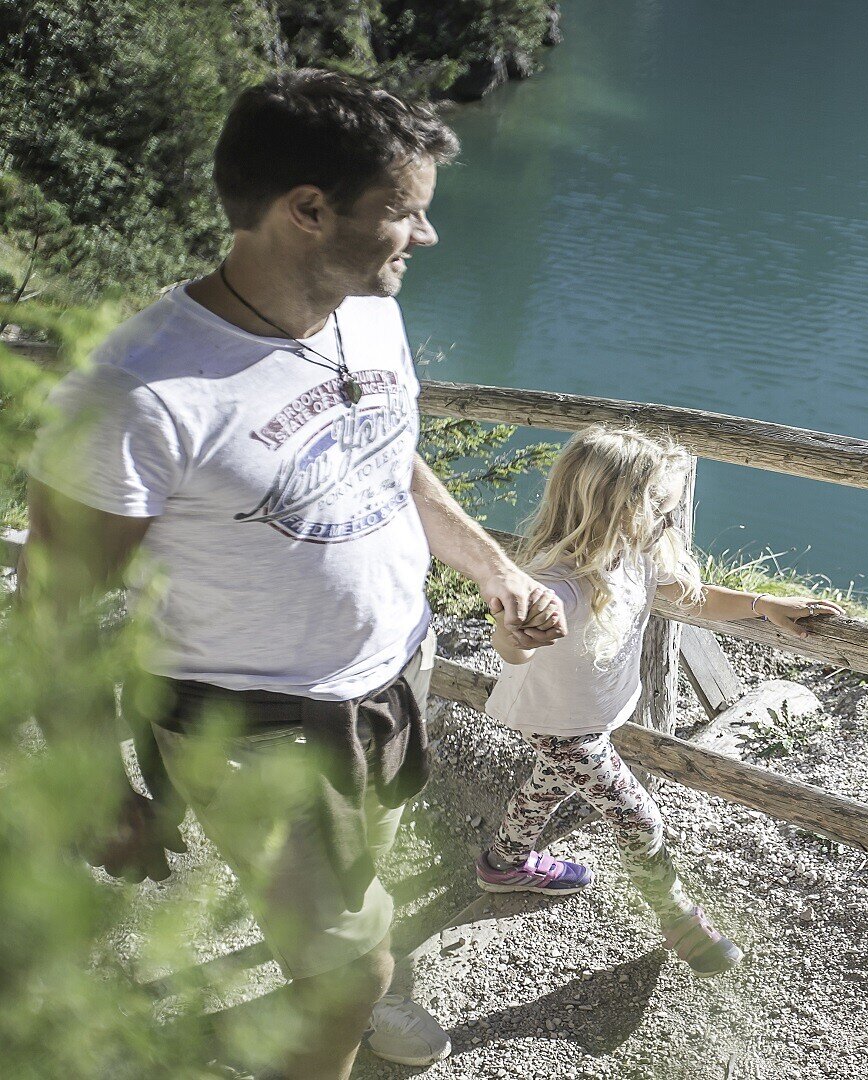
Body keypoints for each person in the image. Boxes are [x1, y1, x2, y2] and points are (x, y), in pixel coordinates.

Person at [23, 69, 565, 1078]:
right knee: (346, 974)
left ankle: (351, 989)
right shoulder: (140, 393)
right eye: (404, 211)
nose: (427, 235)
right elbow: (51, 612)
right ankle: (346, 1007)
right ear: (306, 210)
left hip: (390, 680)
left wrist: (490, 565)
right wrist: (94, 786)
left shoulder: (365, 309)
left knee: (360, 895)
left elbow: (387, 452)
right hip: (252, 727)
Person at [475, 425, 841, 976]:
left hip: (583, 716)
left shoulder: (634, 553)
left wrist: (763, 604)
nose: (668, 523)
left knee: (551, 781)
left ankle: (503, 863)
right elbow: (513, 647)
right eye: (660, 510)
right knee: (639, 820)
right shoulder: (559, 585)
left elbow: (694, 599)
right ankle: (677, 917)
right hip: (557, 723)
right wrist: (513, 633)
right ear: (614, 507)